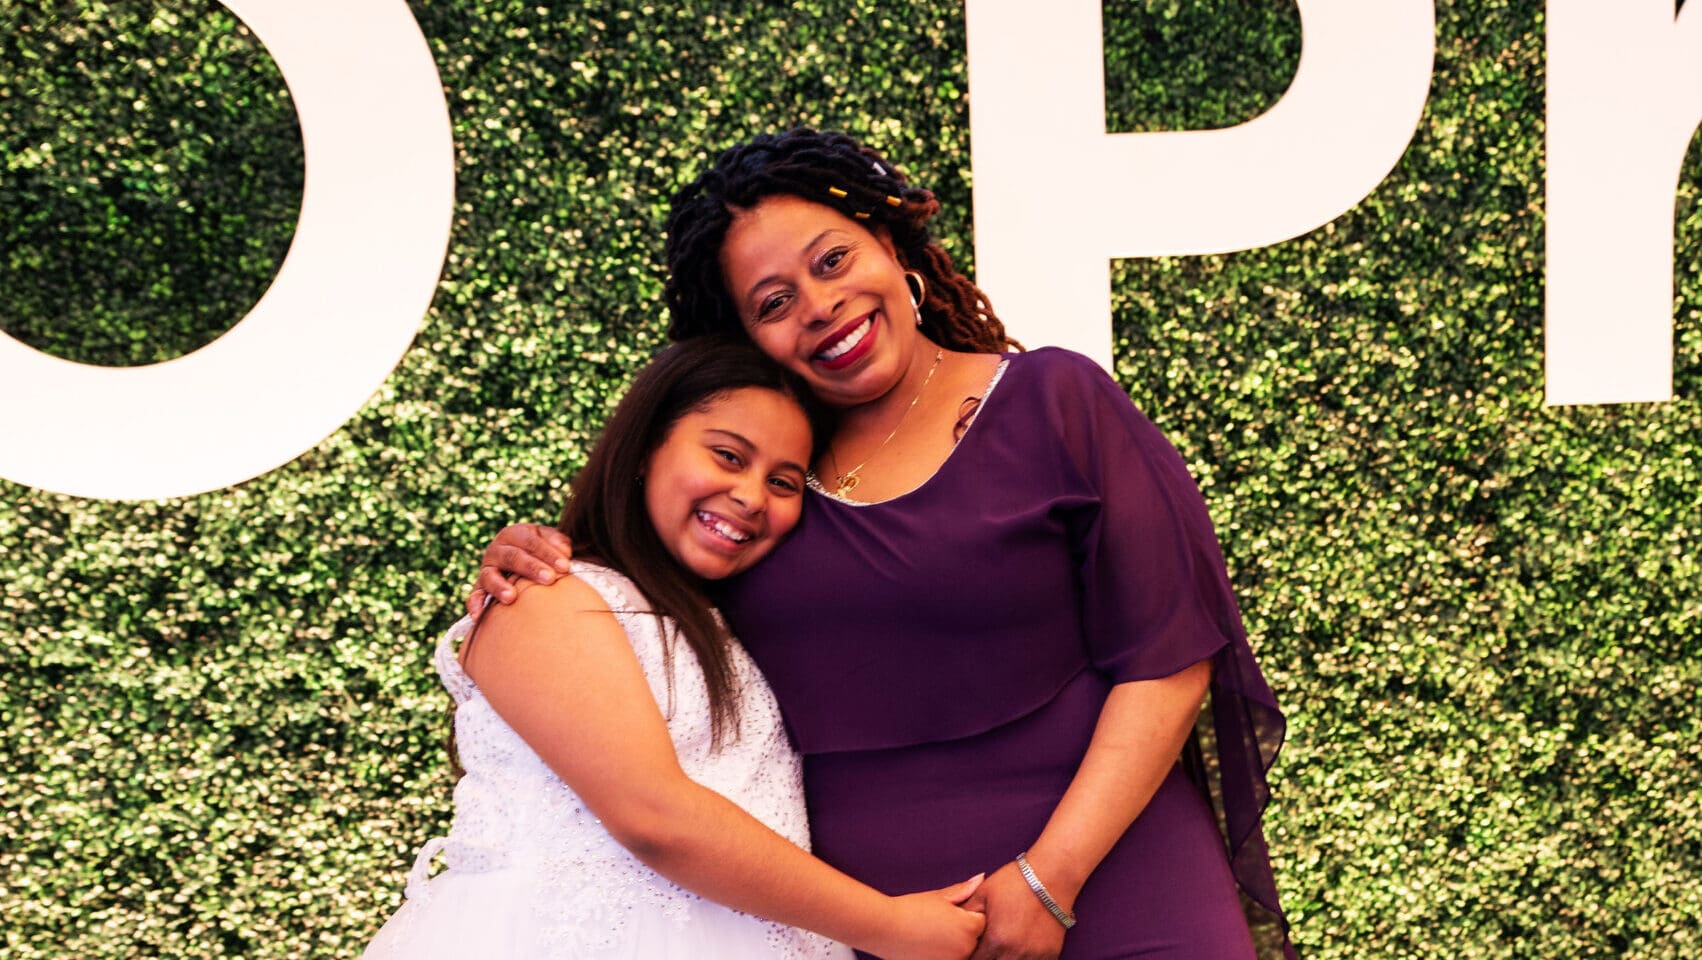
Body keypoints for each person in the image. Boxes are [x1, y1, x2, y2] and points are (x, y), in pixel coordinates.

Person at [474, 129, 1297, 960]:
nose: (819, 304)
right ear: (744, 339)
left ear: (893, 244)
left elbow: (1169, 654)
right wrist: (538, 558)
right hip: (875, 928)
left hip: (1118, 880)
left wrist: (1052, 878)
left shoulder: (1057, 400)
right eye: (773, 301)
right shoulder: (756, 481)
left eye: (831, 261)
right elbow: (624, 623)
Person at [366, 336, 988, 960]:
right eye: (726, 455)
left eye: (783, 481)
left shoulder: (727, 625)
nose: (750, 495)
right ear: (645, 448)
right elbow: (654, 818)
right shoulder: (548, 596)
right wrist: (890, 926)